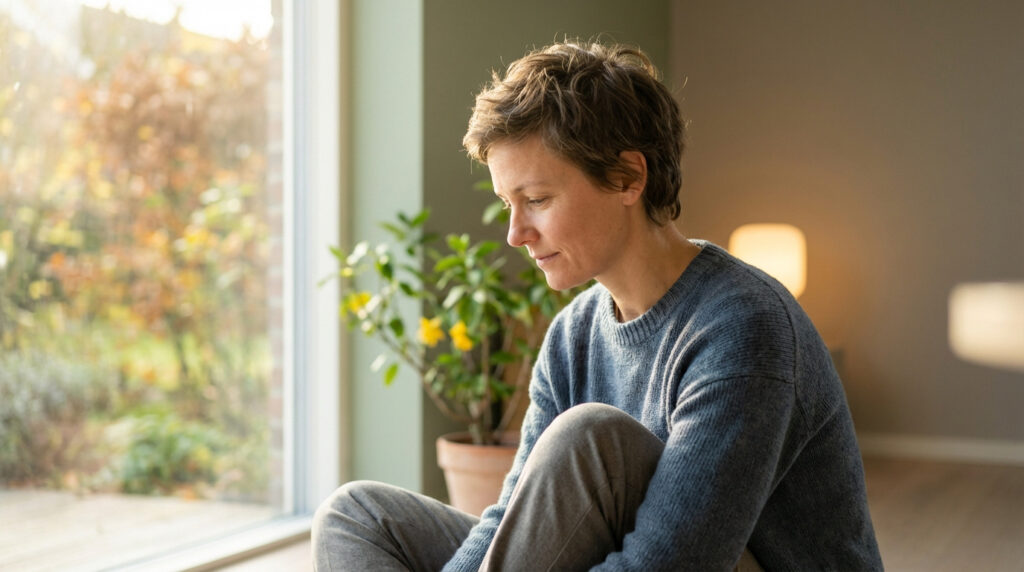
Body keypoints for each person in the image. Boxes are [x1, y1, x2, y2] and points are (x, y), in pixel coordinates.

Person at [312, 40, 883, 571]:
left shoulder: (745, 327)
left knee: (590, 437)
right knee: (356, 515)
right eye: (507, 204)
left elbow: (671, 563)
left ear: (628, 176)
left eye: (536, 200)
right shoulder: (574, 333)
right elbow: (507, 518)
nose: (515, 234)